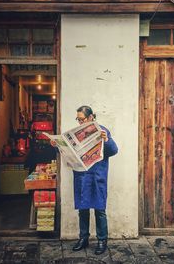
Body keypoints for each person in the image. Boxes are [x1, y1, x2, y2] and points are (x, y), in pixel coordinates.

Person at [52, 105, 118, 255]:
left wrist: (106, 139)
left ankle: (102, 240)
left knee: (100, 209)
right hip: (82, 176)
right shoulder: (77, 133)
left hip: (97, 176)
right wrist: (57, 146)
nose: (80, 123)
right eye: (78, 120)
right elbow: (68, 150)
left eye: (82, 119)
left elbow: (114, 150)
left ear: (90, 118)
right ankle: (83, 238)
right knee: (83, 209)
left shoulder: (102, 130)